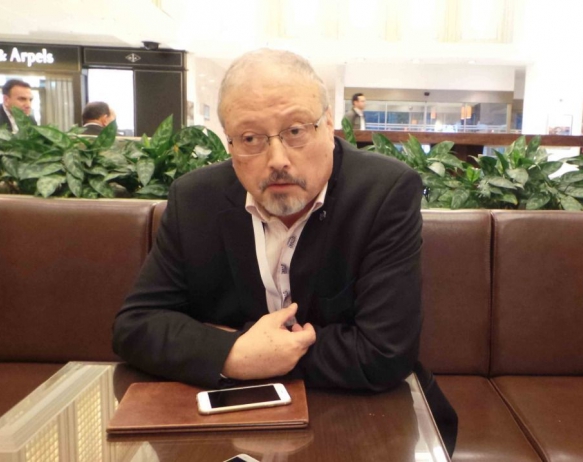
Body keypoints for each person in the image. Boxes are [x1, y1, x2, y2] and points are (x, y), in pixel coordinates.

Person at [112, 49, 457, 453]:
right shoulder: (195, 199)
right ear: (229, 143)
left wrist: (248, 350)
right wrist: (234, 354)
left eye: (296, 131)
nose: (277, 160)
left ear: (328, 124)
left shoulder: (385, 192)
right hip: (233, 425)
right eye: (250, 139)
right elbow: (136, 326)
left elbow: (385, 352)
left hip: (364, 419)